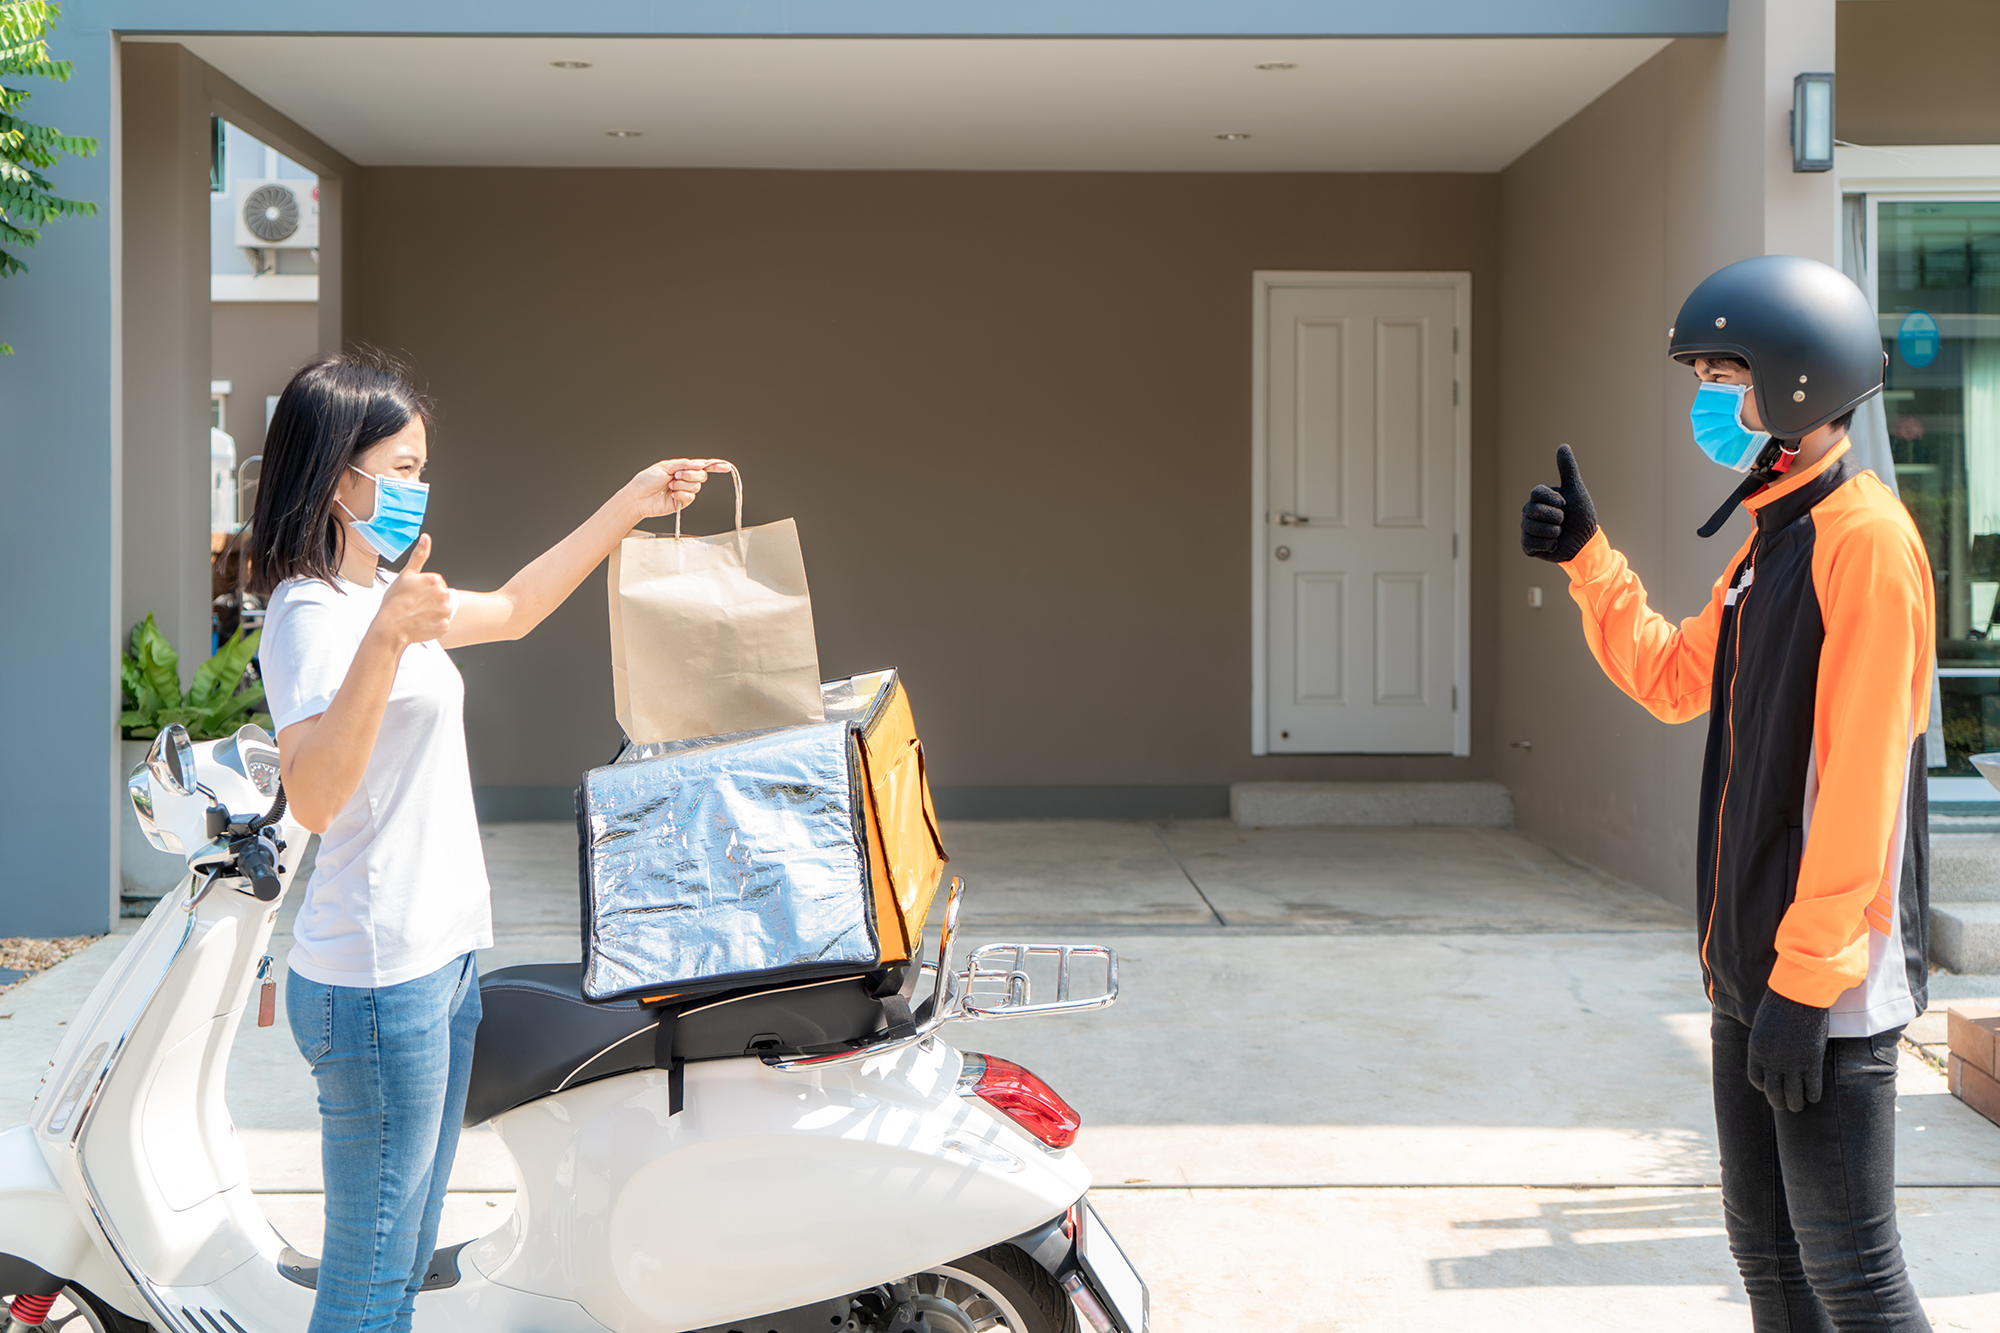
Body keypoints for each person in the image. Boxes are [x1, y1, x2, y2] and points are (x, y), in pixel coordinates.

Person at [246, 352, 726, 1333]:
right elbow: (316, 794)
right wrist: (388, 640)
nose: (419, 490)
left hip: (440, 962)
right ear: (341, 475)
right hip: (377, 982)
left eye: (424, 467)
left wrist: (627, 504)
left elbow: (513, 610)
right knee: (372, 1284)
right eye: (404, 465)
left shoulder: (382, 597)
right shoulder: (313, 616)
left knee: (403, 1261)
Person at [1520, 254, 1934, 1331]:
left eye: (1722, 375)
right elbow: (1670, 678)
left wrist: (1804, 988)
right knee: (1769, 1260)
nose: (1710, 401)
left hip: (1822, 985)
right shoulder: (1773, 537)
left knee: (1851, 1274)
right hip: (1748, 966)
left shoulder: (1866, 542)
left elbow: (1860, 783)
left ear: (1796, 382)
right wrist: (1587, 560)